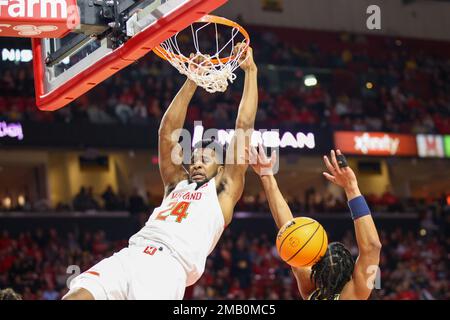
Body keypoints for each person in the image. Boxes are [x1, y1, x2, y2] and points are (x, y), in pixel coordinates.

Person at [62, 43, 258, 300]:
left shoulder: (223, 190)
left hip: (167, 267)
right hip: (132, 252)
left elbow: (243, 125)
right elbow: (166, 133)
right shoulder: (176, 184)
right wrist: (192, 79)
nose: (197, 163)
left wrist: (251, 72)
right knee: (75, 296)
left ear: (221, 167)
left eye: (206, 159)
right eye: (194, 158)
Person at [249, 147, 382, 300]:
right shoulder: (353, 295)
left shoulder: (310, 290)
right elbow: (372, 246)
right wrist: (352, 188)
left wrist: (267, 176)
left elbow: (289, 229)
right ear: (351, 274)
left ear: (316, 272)